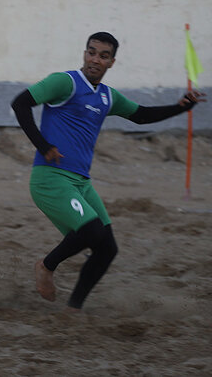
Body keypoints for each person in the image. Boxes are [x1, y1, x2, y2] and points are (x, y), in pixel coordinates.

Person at [11, 32, 206, 311]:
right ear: (84, 53)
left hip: (81, 183)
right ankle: (46, 266)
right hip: (51, 179)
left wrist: (181, 107)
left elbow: (140, 116)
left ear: (112, 62)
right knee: (91, 231)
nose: (95, 59)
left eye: (103, 55)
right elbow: (20, 103)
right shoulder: (64, 82)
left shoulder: (106, 96)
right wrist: (43, 146)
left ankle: (73, 308)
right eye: (91, 52)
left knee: (107, 248)